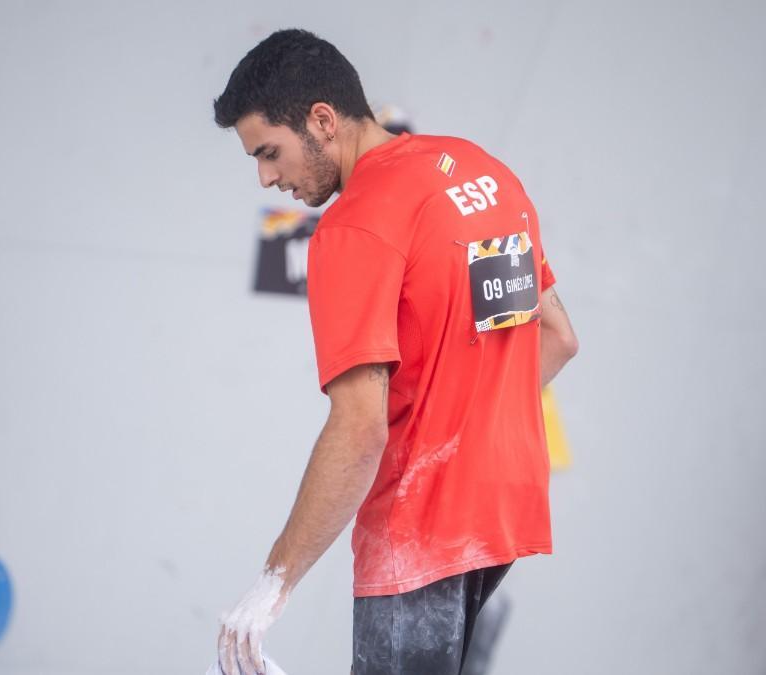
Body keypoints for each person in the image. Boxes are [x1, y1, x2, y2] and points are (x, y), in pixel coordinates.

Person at [210, 29, 579, 675]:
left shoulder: (353, 226)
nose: (268, 177)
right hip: (503, 508)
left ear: (322, 120)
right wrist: (466, 426)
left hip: (420, 527)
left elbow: (359, 431)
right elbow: (558, 337)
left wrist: (274, 580)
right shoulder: (481, 172)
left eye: (270, 152)